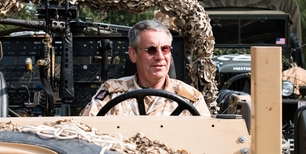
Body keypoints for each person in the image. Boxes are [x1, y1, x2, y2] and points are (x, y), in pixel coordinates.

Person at [80, 20, 210, 116]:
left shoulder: (191, 98)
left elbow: (206, 139)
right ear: (133, 54)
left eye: (165, 49)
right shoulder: (111, 93)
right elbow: (84, 131)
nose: (160, 57)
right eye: (151, 50)